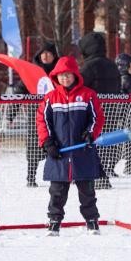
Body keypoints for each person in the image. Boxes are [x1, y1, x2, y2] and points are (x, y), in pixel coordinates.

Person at [37, 56, 105, 236]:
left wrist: (90, 133)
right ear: (55, 77)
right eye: (61, 76)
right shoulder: (50, 98)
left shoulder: (88, 95)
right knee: (57, 192)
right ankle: (54, 222)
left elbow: (97, 118)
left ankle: (92, 222)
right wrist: (48, 142)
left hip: (82, 151)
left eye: (68, 75)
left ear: (75, 75)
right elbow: (43, 122)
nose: (64, 79)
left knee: (87, 191)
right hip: (59, 154)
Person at [13, 41, 60, 187]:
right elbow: (20, 91)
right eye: (43, 53)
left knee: (58, 145)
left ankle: (59, 175)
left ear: (54, 56)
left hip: (57, 116)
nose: (45, 56)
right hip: (36, 117)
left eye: (49, 53)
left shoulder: (60, 72)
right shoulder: (32, 72)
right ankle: (31, 177)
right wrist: (11, 114)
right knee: (34, 146)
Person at [79, 32, 120, 189]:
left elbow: (80, 87)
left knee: (90, 144)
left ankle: (96, 176)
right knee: (104, 145)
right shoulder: (112, 65)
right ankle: (102, 175)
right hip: (110, 112)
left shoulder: (88, 67)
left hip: (92, 113)